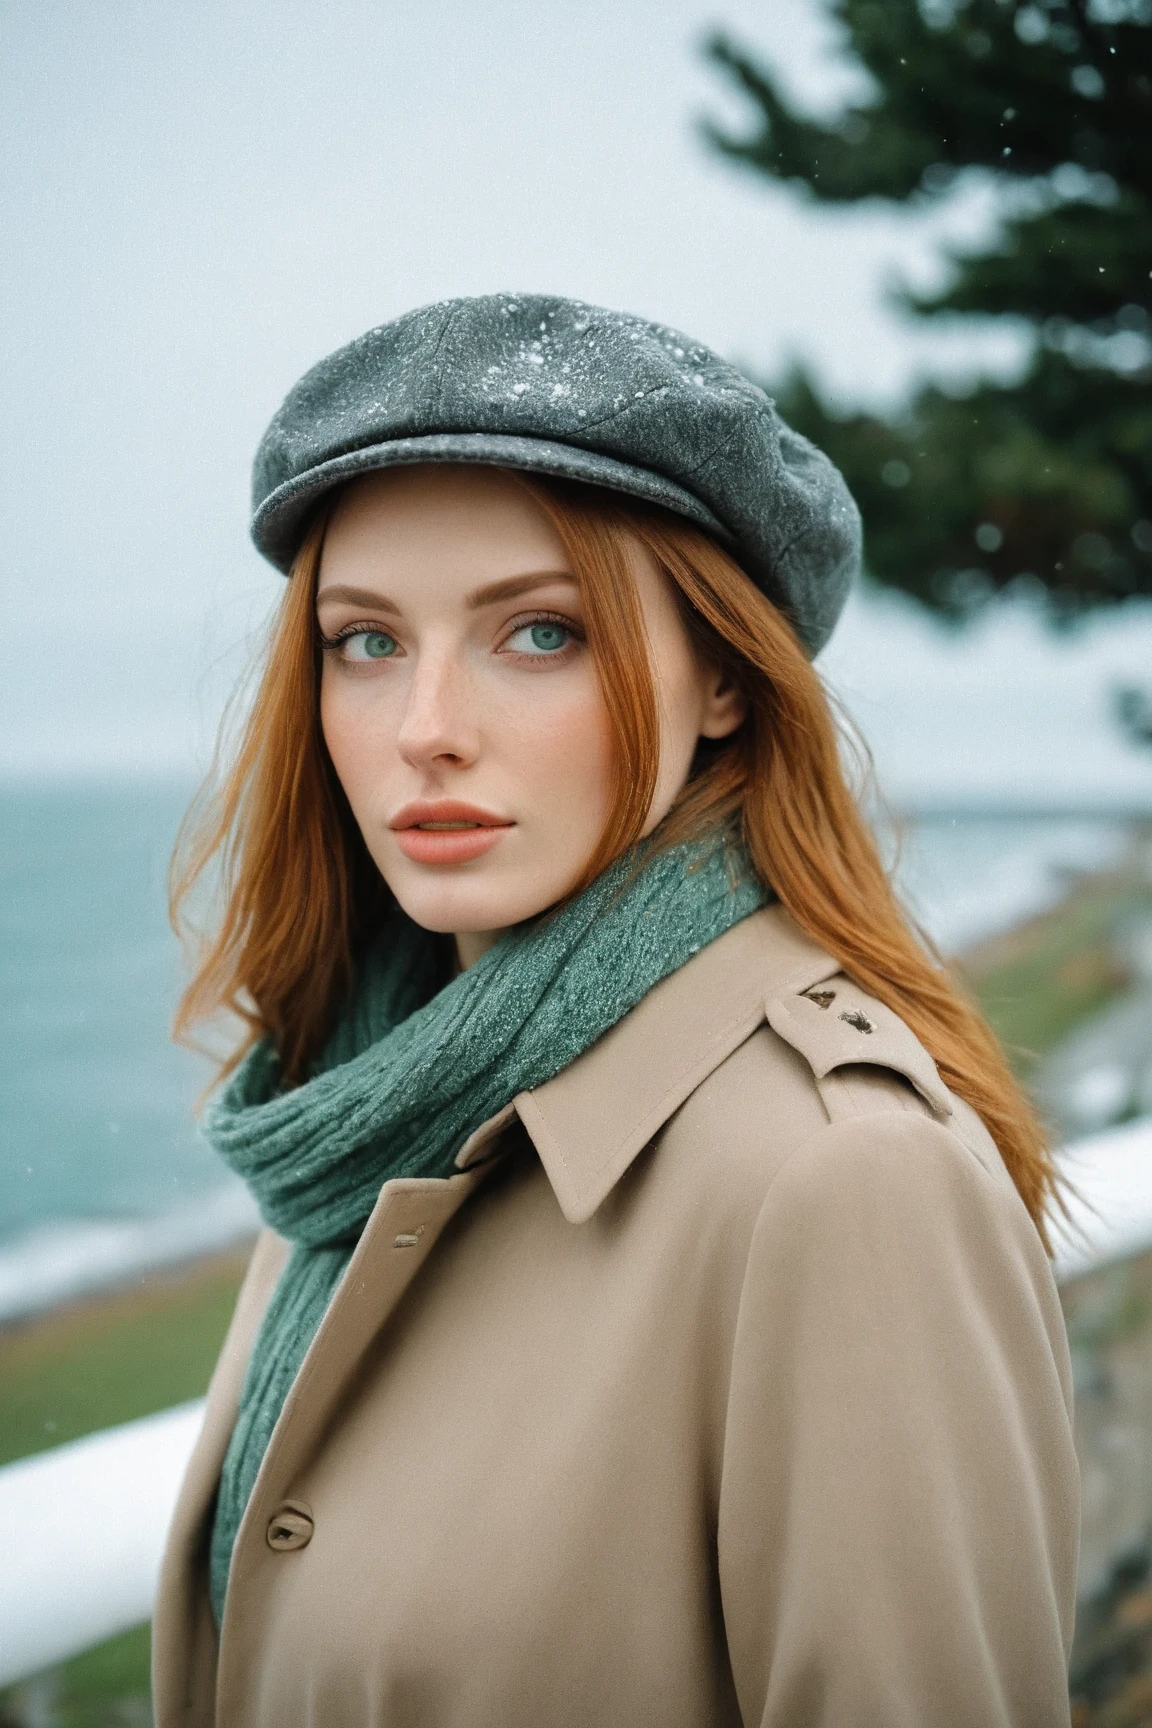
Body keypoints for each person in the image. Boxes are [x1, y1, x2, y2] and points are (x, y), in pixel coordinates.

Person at [153, 294, 1078, 1728]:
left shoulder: (844, 1184)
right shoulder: (360, 1108)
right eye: (366, 642)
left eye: (538, 634)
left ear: (721, 676)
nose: (423, 727)